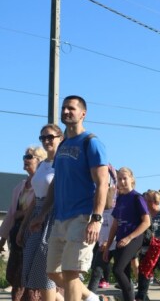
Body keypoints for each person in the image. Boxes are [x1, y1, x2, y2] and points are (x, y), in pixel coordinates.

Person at [29, 95, 109, 301]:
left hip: (82, 217)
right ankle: (92, 298)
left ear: (83, 113)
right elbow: (56, 184)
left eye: (71, 108)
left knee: (71, 272)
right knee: (52, 272)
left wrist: (96, 219)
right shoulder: (63, 147)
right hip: (60, 218)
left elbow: (102, 182)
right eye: (64, 108)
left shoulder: (91, 142)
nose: (65, 111)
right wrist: (42, 214)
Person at [17, 125, 64, 301]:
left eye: (50, 137)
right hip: (37, 215)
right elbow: (35, 199)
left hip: (53, 215)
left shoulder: (62, 163)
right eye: (43, 138)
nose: (46, 141)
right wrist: (23, 227)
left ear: (60, 138)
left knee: (47, 269)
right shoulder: (43, 165)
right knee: (36, 271)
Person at [0, 146, 46, 301]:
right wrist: (3, 238)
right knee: (14, 276)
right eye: (24, 156)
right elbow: (11, 214)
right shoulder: (19, 187)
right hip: (17, 235)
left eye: (29, 156)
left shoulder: (43, 186)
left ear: (39, 161)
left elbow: (41, 208)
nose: (25, 159)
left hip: (34, 234)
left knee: (29, 278)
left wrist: (23, 213)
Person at [104, 167, 151, 301]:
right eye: (119, 179)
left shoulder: (137, 197)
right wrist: (107, 247)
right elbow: (115, 224)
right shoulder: (119, 199)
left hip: (134, 238)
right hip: (120, 239)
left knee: (117, 270)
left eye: (125, 178)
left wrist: (130, 237)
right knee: (123, 274)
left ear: (131, 179)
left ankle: (136, 297)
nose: (122, 181)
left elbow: (146, 222)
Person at [87, 175, 116, 293]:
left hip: (115, 243)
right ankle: (90, 296)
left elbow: (116, 227)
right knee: (96, 271)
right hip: (102, 243)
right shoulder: (98, 208)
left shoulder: (115, 207)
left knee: (121, 273)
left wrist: (108, 241)